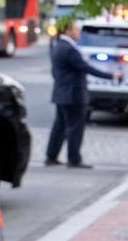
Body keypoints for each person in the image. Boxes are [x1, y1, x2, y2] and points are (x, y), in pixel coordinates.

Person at [45, 18, 117, 169]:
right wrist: (110, 76)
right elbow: (86, 67)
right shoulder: (69, 49)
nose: (78, 32)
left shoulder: (58, 46)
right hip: (73, 95)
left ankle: (51, 156)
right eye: (76, 29)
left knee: (59, 126)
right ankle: (74, 159)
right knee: (74, 127)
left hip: (61, 93)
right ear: (67, 31)